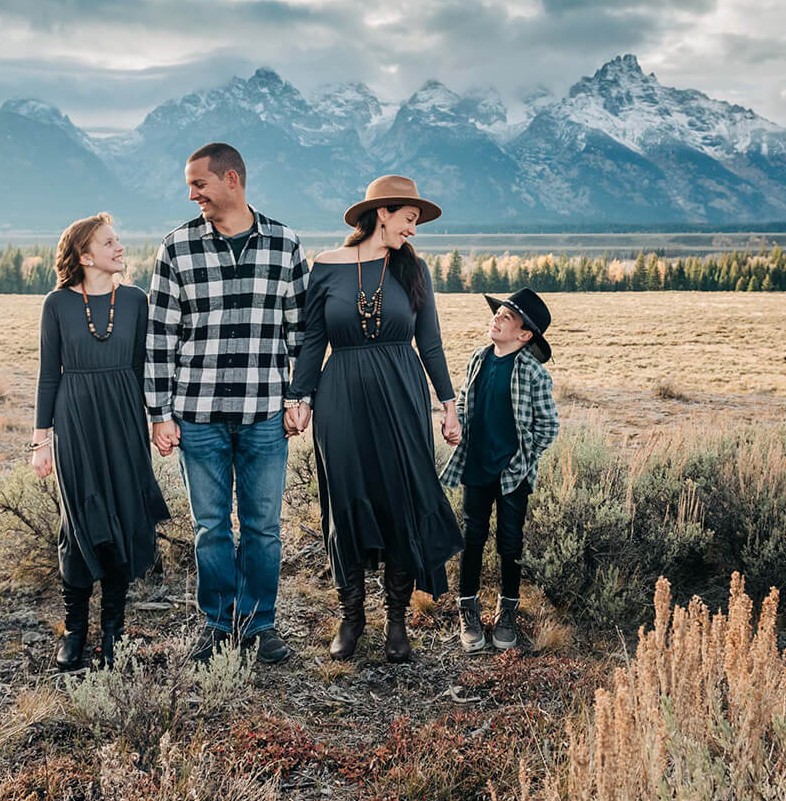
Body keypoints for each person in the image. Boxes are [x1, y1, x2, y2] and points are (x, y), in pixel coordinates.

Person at [145, 142, 310, 665]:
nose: (192, 194)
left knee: (263, 527)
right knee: (210, 528)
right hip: (198, 416)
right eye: (190, 186)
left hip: (264, 414)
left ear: (232, 179)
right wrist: (160, 413)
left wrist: (298, 397)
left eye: (200, 184)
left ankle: (260, 625)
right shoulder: (176, 248)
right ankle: (218, 625)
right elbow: (159, 337)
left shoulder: (284, 245)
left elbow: (300, 332)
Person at [288, 175, 464, 663]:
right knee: (345, 501)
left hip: (401, 393)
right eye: (410, 219)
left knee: (398, 500)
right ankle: (351, 617)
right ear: (382, 212)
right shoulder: (324, 267)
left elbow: (429, 342)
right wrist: (299, 395)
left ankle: (397, 621)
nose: (413, 229)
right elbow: (312, 340)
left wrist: (449, 406)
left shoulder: (415, 270)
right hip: (339, 393)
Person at [32, 212, 171, 672]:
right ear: (84, 255)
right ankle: (75, 631)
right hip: (75, 422)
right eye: (109, 242)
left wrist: (154, 421)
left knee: (123, 518)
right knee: (80, 522)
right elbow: (48, 375)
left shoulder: (135, 300)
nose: (120, 248)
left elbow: (141, 368)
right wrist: (41, 441)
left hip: (125, 418)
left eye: (119, 240)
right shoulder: (56, 304)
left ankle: (113, 631)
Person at [440, 288, 559, 652]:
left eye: (507, 317)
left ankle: (507, 612)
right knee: (472, 538)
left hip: (513, 474)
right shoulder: (479, 359)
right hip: (476, 465)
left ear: (524, 335)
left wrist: (521, 460)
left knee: (510, 541)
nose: (497, 318)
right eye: (498, 313)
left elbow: (548, 427)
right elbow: (463, 399)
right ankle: (469, 610)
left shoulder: (533, 374)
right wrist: (455, 423)